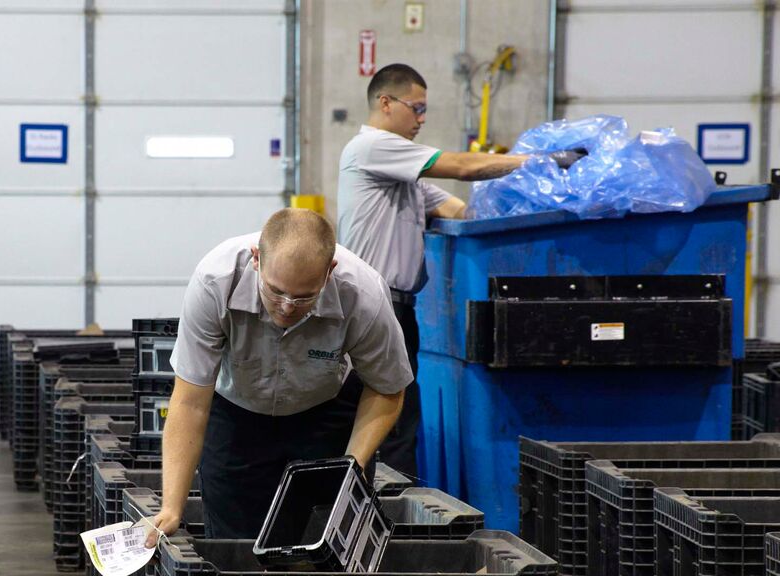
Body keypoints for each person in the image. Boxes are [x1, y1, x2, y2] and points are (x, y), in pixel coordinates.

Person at [337, 63, 582, 480]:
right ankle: (384, 514)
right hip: (374, 306)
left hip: (395, 308)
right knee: (390, 420)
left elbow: (463, 211)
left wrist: (538, 206)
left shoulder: (405, 178)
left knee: (397, 417)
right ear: (385, 102)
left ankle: (383, 508)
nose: (422, 118)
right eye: (416, 108)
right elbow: (463, 166)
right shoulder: (373, 147)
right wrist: (541, 163)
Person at [145, 208, 413, 544]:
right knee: (235, 547)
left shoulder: (364, 294)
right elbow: (190, 401)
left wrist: (351, 469)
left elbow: (388, 389)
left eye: (303, 297)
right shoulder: (215, 282)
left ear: (330, 272)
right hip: (237, 414)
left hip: (325, 414)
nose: (287, 306)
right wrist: (171, 507)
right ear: (256, 258)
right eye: (275, 291)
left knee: (325, 548)